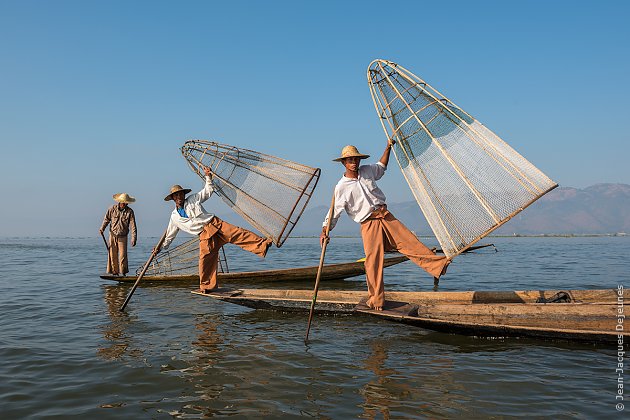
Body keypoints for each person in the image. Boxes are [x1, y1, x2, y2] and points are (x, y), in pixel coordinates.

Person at [320, 141, 449, 310]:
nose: (354, 162)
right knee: (373, 262)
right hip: (369, 223)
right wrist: (325, 231)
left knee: (409, 241)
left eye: (356, 159)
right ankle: (376, 300)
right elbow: (333, 214)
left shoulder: (367, 171)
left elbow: (382, 166)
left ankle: (439, 265)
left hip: (385, 216)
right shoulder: (341, 187)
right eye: (350, 160)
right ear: (344, 163)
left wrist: (388, 148)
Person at [156, 165, 273, 293]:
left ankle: (263, 245)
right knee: (205, 260)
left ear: (184, 194)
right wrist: (160, 247)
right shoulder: (174, 218)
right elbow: (169, 236)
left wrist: (208, 176)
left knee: (238, 233)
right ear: (173, 198)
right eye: (176, 195)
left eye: (181, 194)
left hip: (214, 223)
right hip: (204, 235)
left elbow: (208, 191)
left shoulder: (193, 199)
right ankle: (207, 286)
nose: (179, 197)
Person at [100, 193, 138, 276]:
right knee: (112, 255)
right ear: (119, 202)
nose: (124, 204)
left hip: (123, 236)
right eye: (123, 202)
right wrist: (102, 228)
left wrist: (133, 238)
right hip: (112, 235)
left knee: (122, 256)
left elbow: (133, 226)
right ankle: (115, 272)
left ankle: (123, 273)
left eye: (126, 202)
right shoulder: (112, 209)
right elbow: (106, 219)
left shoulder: (130, 212)